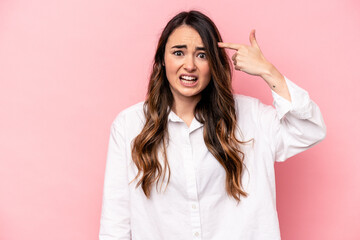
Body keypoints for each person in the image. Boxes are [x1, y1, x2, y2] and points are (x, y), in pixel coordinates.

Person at [99, 10, 326, 240]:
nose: (189, 65)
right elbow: (115, 224)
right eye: (179, 53)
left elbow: (309, 129)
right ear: (162, 60)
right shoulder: (129, 126)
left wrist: (269, 71)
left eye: (202, 55)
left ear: (214, 63)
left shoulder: (251, 117)